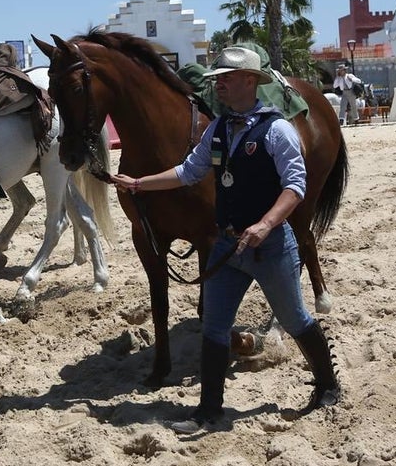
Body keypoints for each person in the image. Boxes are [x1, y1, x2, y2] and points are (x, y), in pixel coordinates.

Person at [109, 47, 341, 434]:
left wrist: (266, 225)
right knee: (214, 328)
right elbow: (188, 171)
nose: (217, 84)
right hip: (228, 246)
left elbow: (296, 187)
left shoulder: (277, 129)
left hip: (268, 246)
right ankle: (209, 410)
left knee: (295, 318)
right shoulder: (218, 129)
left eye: (226, 79)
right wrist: (139, 183)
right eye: (216, 79)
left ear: (250, 81)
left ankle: (328, 385)